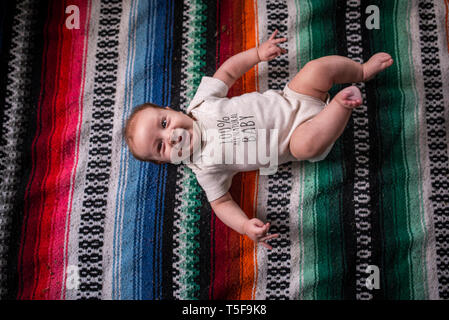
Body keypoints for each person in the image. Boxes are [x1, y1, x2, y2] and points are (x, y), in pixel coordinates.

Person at [123, 29, 393, 250]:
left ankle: (361, 71)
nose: (171, 136)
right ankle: (340, 106)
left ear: (172, 111)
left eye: (164, 123)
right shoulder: (205, 168)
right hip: (294, 138)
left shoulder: (201, 103)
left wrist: (256, 54)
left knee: (317, 69)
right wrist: (244, 226)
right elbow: (222, 204)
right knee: (307, 146)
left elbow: (227, 73)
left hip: (294, 98)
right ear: (167, 161)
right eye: (161, 146)